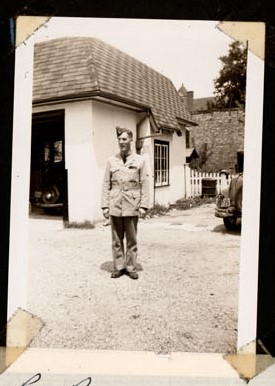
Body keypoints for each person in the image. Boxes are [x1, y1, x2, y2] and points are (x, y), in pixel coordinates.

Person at [101, 126, 150, 279]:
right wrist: (104, 205)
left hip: (131, 205)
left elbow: (145, 183)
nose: (121, 142)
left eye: (124, 139)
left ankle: (131, 267)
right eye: (119, 139)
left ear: (130, 140)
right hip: (115, 204)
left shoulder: (139, 161)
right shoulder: (111, 161)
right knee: (116, 240)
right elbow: (106, 184)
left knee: (131, 239)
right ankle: (119, 266)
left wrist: (143, 206)